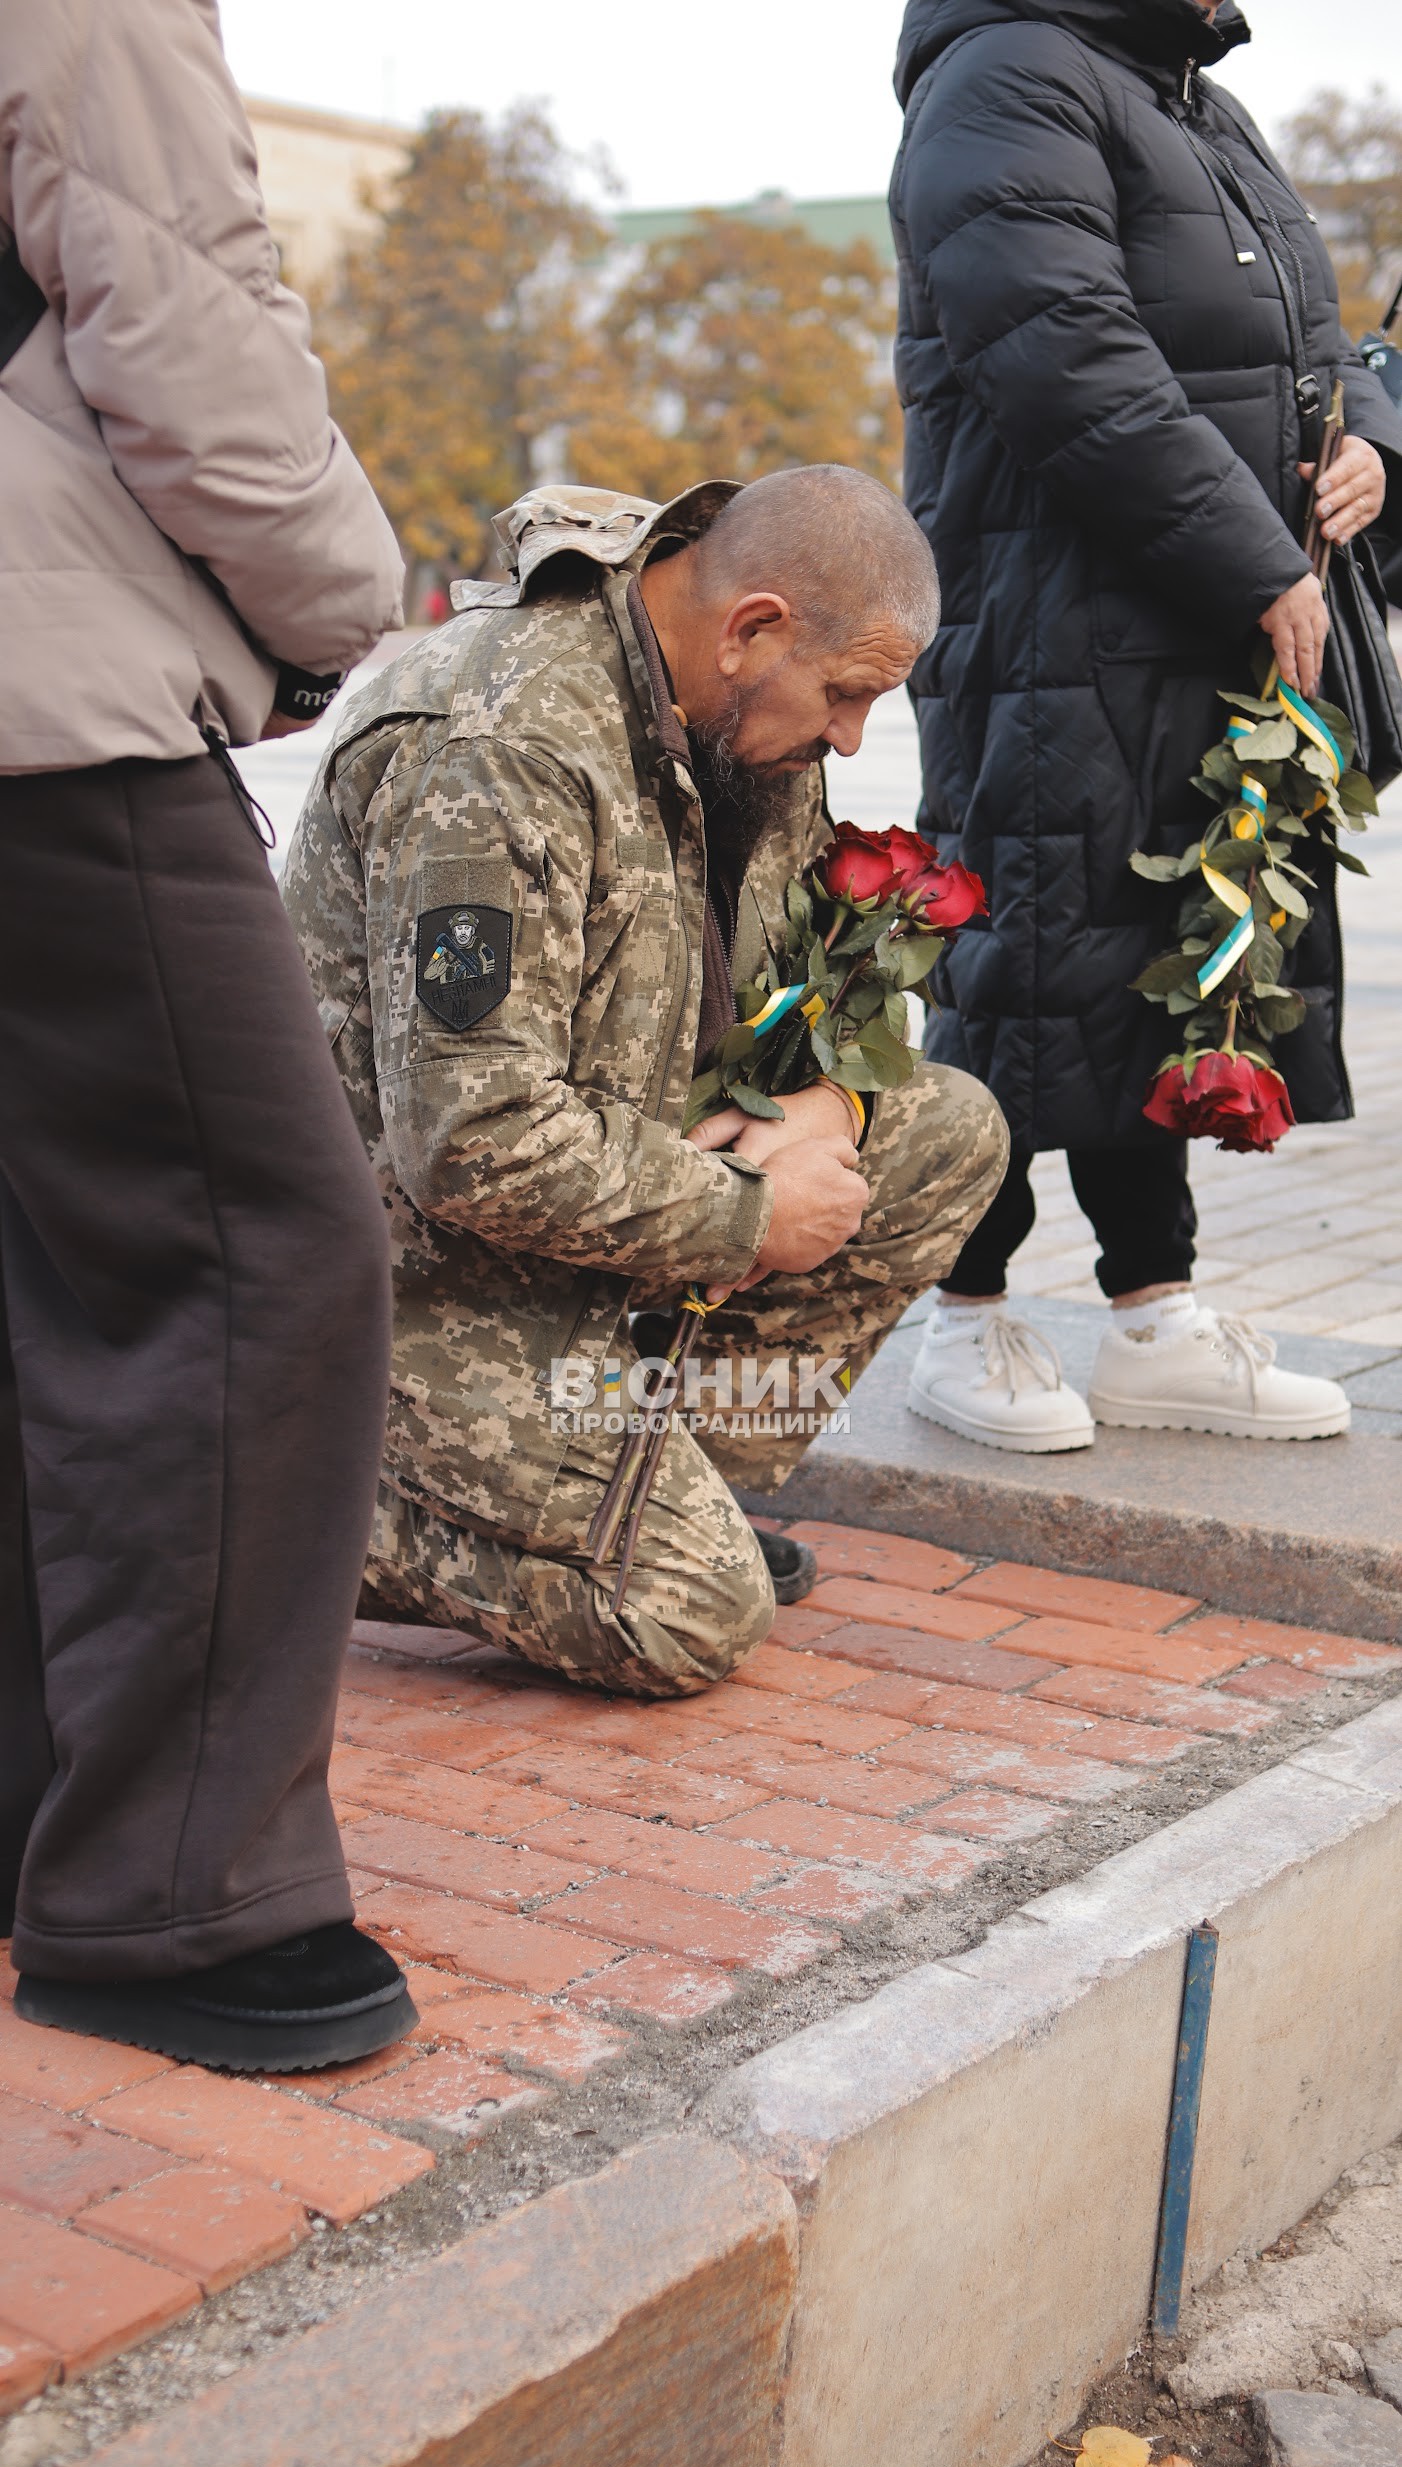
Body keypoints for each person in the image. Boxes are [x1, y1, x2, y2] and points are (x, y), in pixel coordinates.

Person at [284, 470, 1009, 1696]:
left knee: (946, 1132)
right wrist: (747, 1212)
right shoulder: (501, 746)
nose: (849, 738)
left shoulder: (735, 718)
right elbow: (472, 1139)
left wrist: (831, 1106)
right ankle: (280, 1508)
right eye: (846, 695)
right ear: (752, 629)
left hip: (603, 1200)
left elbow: (817, 972)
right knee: (685, 1616)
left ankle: (650, 1476)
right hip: (408, 1274)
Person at [2, 0, 417, 2072]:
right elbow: (177, 309)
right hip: (36, 679)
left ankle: (53, 1807)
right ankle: (170, 1895)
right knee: (258, 1252)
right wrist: (342, 601)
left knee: (55, 1261)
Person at [889, 0, 1402, 1452]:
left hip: (1187, 629)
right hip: (1049, 629)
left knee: (1153, 966)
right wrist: (1249, 558)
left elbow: (1304, 333)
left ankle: (1150, 1316)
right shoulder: (1001, 80)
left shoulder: (1191, 105)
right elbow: (1066, 355)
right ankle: (963, 1317)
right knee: (1019, 961)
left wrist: (1366, 441)